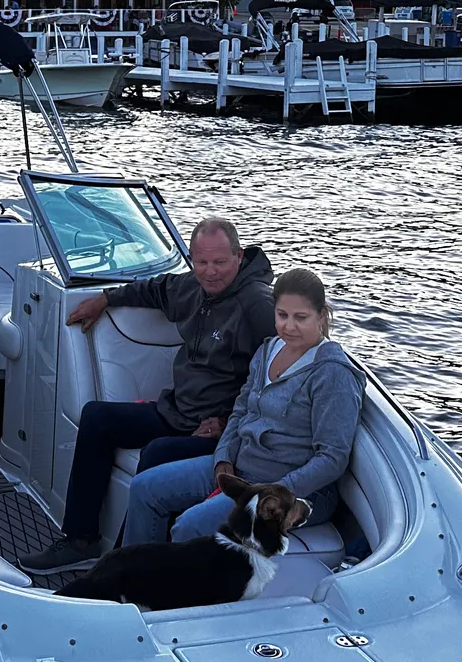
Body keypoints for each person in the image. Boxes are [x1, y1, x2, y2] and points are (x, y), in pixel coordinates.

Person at [20, 217, 275, 574]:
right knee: (97, 417)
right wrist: (105, 299)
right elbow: (154, 289)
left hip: (216, 430)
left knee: (157, 452)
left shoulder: (258, 304)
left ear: (239, 256)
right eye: (201, 262)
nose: (210, 271)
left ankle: (124, 563)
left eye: (219, 262)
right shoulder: (193, 286)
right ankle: (81, 541)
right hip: (177, 411)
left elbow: (276, 379)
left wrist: (227, 421)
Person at [121, 267, 363, 547]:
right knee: (144, 488)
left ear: (321, 316)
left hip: (294, 493)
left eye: (301, 317)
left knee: (189, 525)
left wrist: (276, 492)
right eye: (282, 315)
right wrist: (223, 459)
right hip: (242, 469)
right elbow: (240, 412)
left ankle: (166, 577)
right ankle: (131, 571)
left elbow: (332, 458)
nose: (289, 326)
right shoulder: (268, 350)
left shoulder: (333, 374)